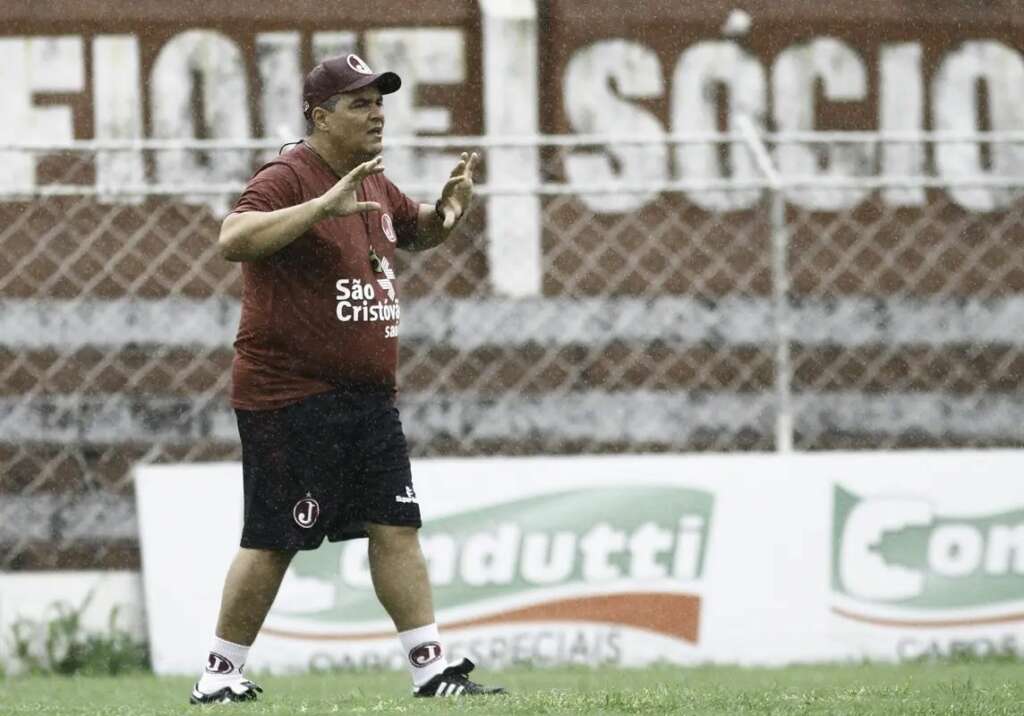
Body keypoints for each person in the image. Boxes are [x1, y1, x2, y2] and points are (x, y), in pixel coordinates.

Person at [189, 53, 503, 704]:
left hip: (367, 399)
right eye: (360, 103)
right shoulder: (289, 175)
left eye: (380, 101)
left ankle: (430, 671)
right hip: (291, 394)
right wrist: (320, 207)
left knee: (396, 527)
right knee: (277, 537)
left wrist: (450, 213)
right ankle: (219, 675)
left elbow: (415, 232)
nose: (377, 113)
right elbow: (233, 238)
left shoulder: (375, 183)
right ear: (319, 115)